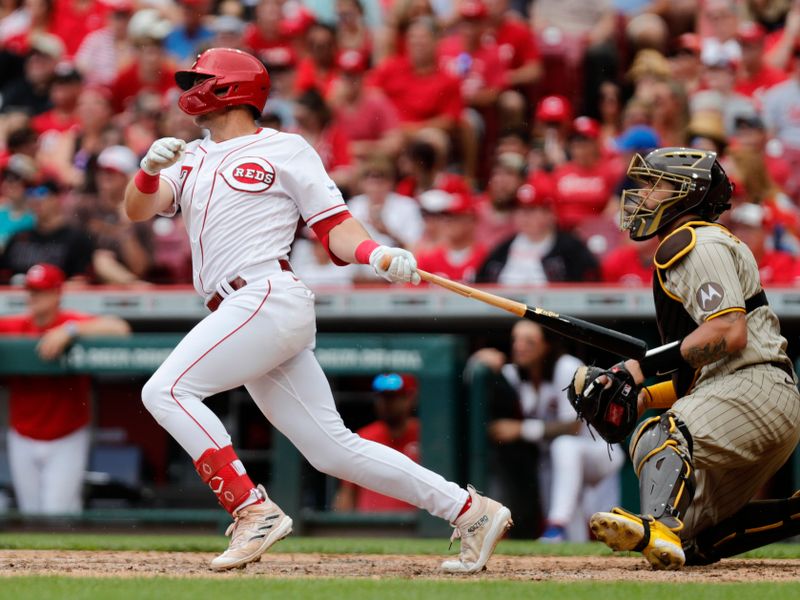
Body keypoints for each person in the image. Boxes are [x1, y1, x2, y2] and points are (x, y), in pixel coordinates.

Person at [123, 47, 512, 573]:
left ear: (230, 88)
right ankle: (470, 511)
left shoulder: (285, 149)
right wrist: (147, 171)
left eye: (200, 78)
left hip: (264, 295)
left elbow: (334, 226)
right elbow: (136, 209)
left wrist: (378, 254)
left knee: (166, 390)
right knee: (332, 449)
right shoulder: (189, 157)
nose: (189, 85)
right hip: (241, 308)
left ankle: (250, 508)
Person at [586, 147, 800, 570]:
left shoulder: (696, 242)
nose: (643, 195)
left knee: (659, 434)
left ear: (688, 194)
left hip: (752, 385)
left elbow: (728, 331)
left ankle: (657, 521)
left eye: (656, 185)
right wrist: (644, 395)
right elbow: (696, 373)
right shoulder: (692, 247)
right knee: (695, 540)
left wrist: (639, 367)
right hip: (749, 394)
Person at [471, 320, 624, 541]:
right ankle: (559, 533)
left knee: (564, 447)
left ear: (547, 345)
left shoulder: (567, 366)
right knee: (572, 536)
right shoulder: (515, 373)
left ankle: (556, 525)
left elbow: (573, 426)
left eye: (529, 342)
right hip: (554, 461)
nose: (519, 346)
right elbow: (475, 374)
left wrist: (522, 429)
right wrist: (478, 359)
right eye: (516, 340)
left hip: (597, 454)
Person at [0, 263, 130, 514]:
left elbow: (120, 328)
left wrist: (70, 331)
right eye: (31, 291)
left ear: (57, 293)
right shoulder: (17, 325)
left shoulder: (70, 321)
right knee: (31, 513)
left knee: (58, 513)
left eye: (41, 291)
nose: (34, 297)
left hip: (67, 434)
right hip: (22, 434)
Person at [332, 373, 420, 513]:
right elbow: (347, 492)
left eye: (392, 397)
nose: (385, 403)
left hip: (415, 529)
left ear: (410, 398)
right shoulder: (363, 437)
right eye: (381, 397)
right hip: (370, 528)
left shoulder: (425, 436)